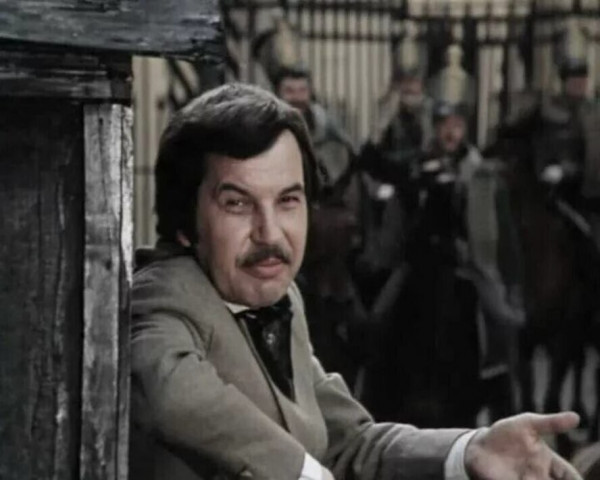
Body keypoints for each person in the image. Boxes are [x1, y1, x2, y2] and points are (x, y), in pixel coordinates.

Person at [130, 82, 581, 480]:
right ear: (185, 222)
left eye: (288, 200)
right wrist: (303, 472)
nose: (270, 234)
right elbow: (172, 394)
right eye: (237, 203)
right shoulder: (164, 292)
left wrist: (469, 450)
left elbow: (352, 444)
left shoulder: (283, 299)